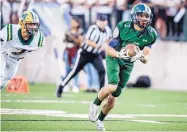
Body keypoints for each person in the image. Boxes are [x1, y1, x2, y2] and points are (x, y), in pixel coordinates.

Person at [88, 3, 158, 131]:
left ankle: (100, 120)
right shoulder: (123, 26)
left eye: (146, 16)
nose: (143, 18)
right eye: (140, 15)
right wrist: (120, 54)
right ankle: (94, 105)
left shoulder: (151, 34)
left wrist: (140, 56)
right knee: (112, 85)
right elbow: (108, 49)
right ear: (134, 16)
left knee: (113, 98)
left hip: (129, 63)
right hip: (115, 57)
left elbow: (146, 58)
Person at [56, 14, 112, 98]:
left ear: (106, 21)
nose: (102, 23)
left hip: (96, 55)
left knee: (102, 71)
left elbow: (108, 39)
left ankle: (101, 92)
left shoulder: (107, 30)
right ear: (97, 21)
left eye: (104, 21)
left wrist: (105, 45)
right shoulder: (93, 29)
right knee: (74, 71)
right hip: (85, 53)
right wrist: (99, 46)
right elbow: (88, 41)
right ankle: (61, 87)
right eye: (100, 21)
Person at [0, 10, 45, 89]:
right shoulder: (11, 31)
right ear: (22, 24)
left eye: (35, 24)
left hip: (15, 60)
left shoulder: (38, 39)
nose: (33, 27)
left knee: (3, 83)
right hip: (3, 54)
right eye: (30, 24)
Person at [62, 17, 84, 93]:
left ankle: (75, 85)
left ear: (77, 23)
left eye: (74, 22)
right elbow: (64, 40)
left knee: (75, 69)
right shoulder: (68, 30)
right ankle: (66, 84)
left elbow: (79, 42)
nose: (72, 24)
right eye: (71, 22)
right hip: (68, 50)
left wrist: (72, 36)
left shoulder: (80, 31)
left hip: (75, 51)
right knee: (67, 69)